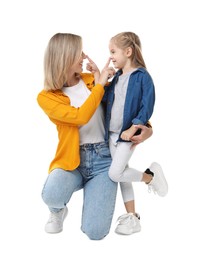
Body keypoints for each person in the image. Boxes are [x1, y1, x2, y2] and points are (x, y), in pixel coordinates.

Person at [37, 32, 153, 240]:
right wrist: (100, 84)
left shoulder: (91, 80)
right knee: (52, 194)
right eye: (79, 53)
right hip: (72, 161)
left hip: (104, 158)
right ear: (66, 57)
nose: (84, 57)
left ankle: (132, 187)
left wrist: (146, 128)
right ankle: (57, 211)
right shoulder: (47, 97)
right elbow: (80, 116)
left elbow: (123, 105)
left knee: (96, 232)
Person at [102, 32, 168, 235]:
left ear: (128, 52)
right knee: (122, 174)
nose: (111, 56)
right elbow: (106, 103)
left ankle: (150, 177)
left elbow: (147, 106)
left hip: (126, 135)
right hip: (111, 134)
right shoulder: (117, 78)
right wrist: (103, 81)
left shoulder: (142, 77)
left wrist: (134, 126)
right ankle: (132, 217)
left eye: (113, 52)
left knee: (115, 173)